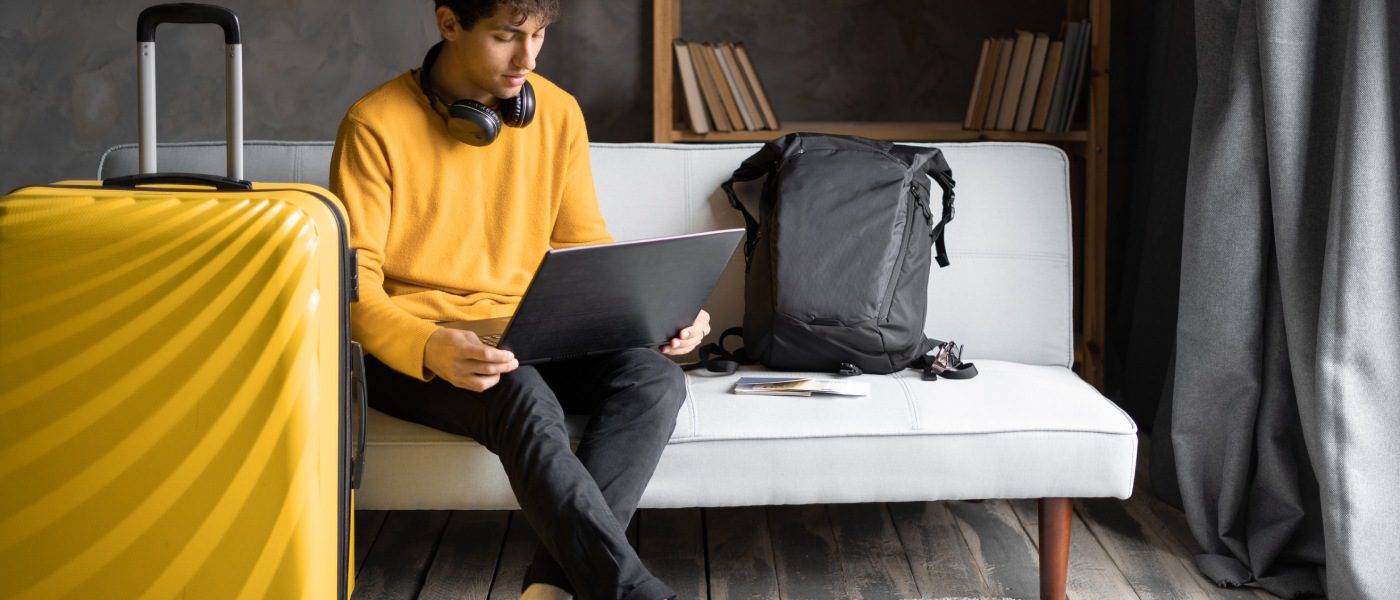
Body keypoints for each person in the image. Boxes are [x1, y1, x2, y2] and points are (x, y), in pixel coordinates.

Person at [330, 1, 708, 598]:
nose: (527, 59)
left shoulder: (556, 112)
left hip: (535, 331)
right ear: (450, 23)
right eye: (506, 37)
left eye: (538, 37)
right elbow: (352, 293)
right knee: (520, 390)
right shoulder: (374, 124)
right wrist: (429, 344)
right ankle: (632, 592)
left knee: (654, 378)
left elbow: (585, 249)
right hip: (416, 349)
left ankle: (552, 589)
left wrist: (657, 310)